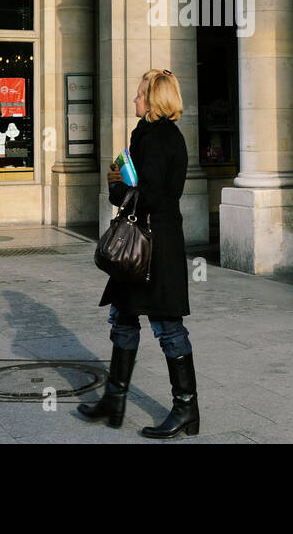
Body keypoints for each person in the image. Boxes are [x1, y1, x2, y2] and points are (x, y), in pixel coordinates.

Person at [78, 69, 198, 438]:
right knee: (124, 316)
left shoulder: (161, 138)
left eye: (138, 95)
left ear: (153, 99)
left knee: (167, 326)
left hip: (154, 245)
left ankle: (186, 409)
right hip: (143, 243)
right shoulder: (145, 134)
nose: (134, 100)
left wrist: (121, 188)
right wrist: (122, 181)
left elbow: (157, 195)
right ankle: (114, 399)